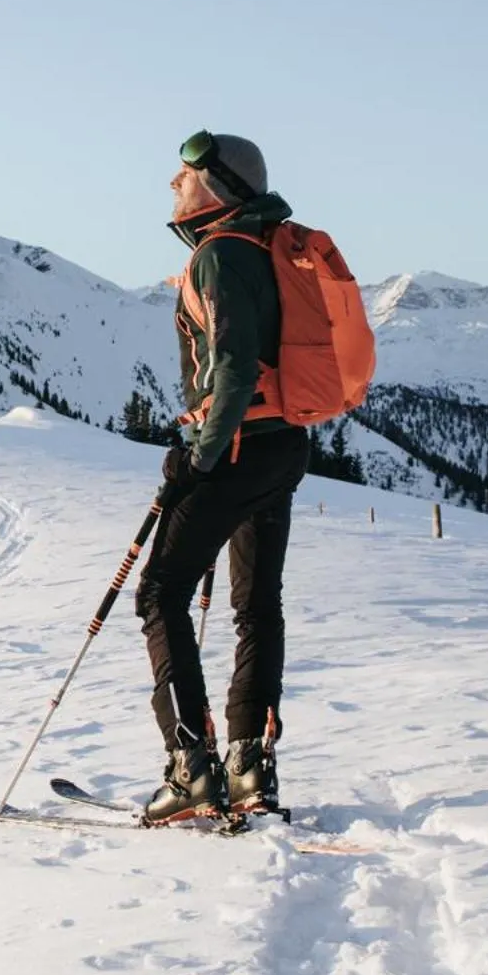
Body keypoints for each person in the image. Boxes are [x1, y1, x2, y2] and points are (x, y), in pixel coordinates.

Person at [136, 130, 309, 823]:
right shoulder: (266, 247)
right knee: (256, 605)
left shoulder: (219, 255)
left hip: (236, 448)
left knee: (161, 592)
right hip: (281, 446)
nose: (172, 185)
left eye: (183, 175)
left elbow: (233, 364)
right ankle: (247, 766)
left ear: (219, 185)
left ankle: (190, 767)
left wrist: (200, 455)